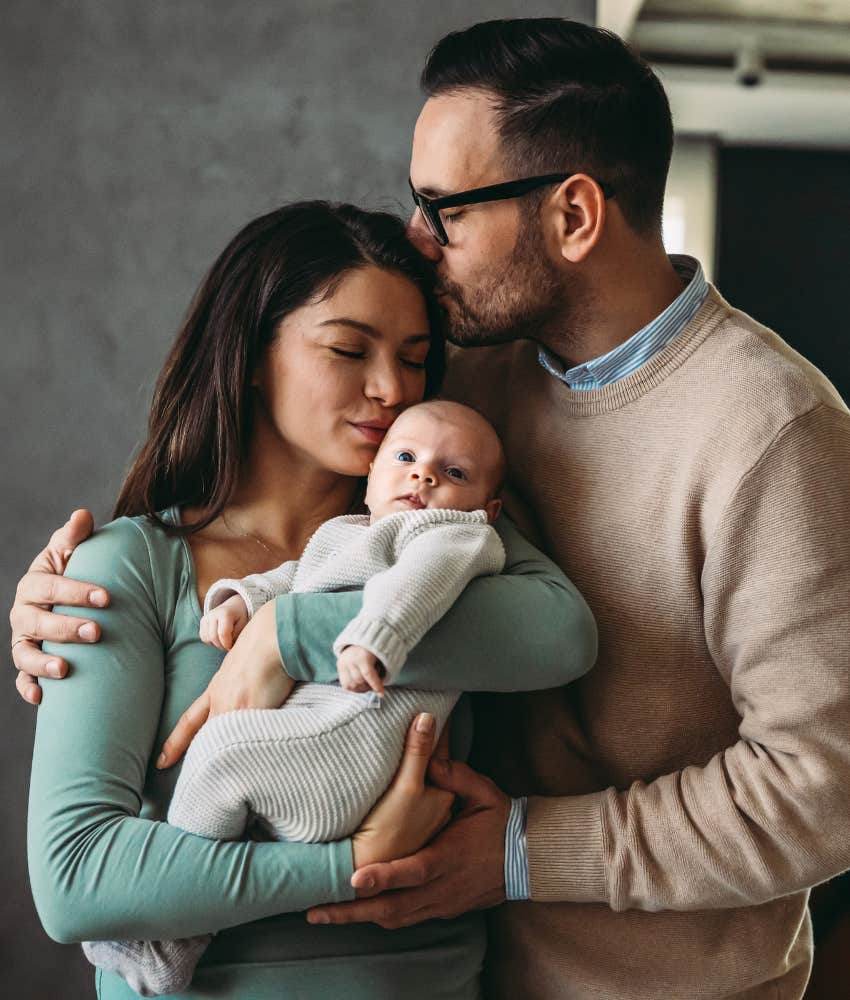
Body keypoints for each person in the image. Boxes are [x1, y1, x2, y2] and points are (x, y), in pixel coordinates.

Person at [15, 16, 850, 1000]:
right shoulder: (459, 386)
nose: (417, 240)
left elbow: (822, 790)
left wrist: (516, 848)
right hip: (466, 967)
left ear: (575, 216)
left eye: (444, 209)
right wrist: (65, 598)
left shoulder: (773, 431)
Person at [21, 199, 597, 1000]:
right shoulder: (130, 566)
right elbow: (78, 881)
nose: (391, 387)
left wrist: (287, 634)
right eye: (347, 349)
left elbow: (561, 635)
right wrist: (349, 864)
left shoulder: (430, 525)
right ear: (253, 354)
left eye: (415, 357)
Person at [84, 399, 516, 997]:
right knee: (227, 764)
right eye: (407, 458)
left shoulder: (455, 538)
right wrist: (241, 600)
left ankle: (168, 943)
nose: (424, 477)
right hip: (315, 749)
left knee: (225, 752)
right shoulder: (344, 534)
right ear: (372, 477)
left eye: (455, 474)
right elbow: (293, 582)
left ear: (489, 510)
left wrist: (374, 640)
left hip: (362, 746)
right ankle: (176, 925)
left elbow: (416, 588)